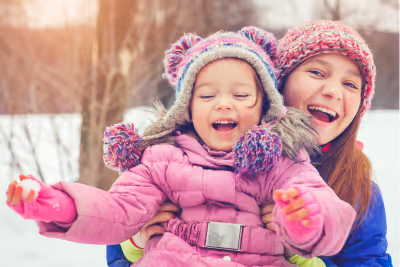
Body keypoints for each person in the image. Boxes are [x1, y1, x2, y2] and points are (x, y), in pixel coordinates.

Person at [6, 27, 356, 267]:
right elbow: (116, 209)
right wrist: (59, 205)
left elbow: (326, 205)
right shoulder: (162, 159)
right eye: (206, 95)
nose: (223, 104)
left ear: (265, 106)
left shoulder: (280, 162)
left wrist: (306, 216)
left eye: (240, 94)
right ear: (187, 107)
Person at [107, 21, 393, 267]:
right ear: (275, 86)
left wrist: (303, 256)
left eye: (351, 84)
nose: (332, 91)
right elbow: (118, 248)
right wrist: (136, 242)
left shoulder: (359, 191)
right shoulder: (188, 158)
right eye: (317, 73)